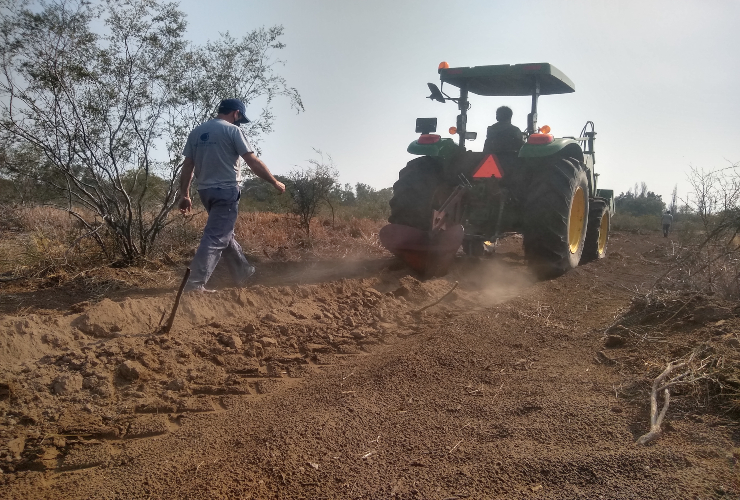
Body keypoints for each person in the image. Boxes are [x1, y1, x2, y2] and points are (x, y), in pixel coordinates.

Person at [178, 98, 285, 292]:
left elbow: (188, 166)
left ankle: (243, 272)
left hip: (205, 192)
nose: (238, 121)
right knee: (216, 236)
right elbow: (252, 162)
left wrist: (185, 194)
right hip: (226, 191)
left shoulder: (197, 132)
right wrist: (274, 181)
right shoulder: (233, 131)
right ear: (236, 113)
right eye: (239, 118)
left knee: (223, 232)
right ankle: (194, 284)